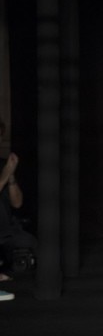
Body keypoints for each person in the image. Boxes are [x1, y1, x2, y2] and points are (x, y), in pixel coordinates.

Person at [0, 118, 37, 285]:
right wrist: (6, 173)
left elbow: (17, 203)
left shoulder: (4, 164)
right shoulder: (5, 168)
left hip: (7, 230)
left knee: (33, 244)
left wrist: (11, 177)